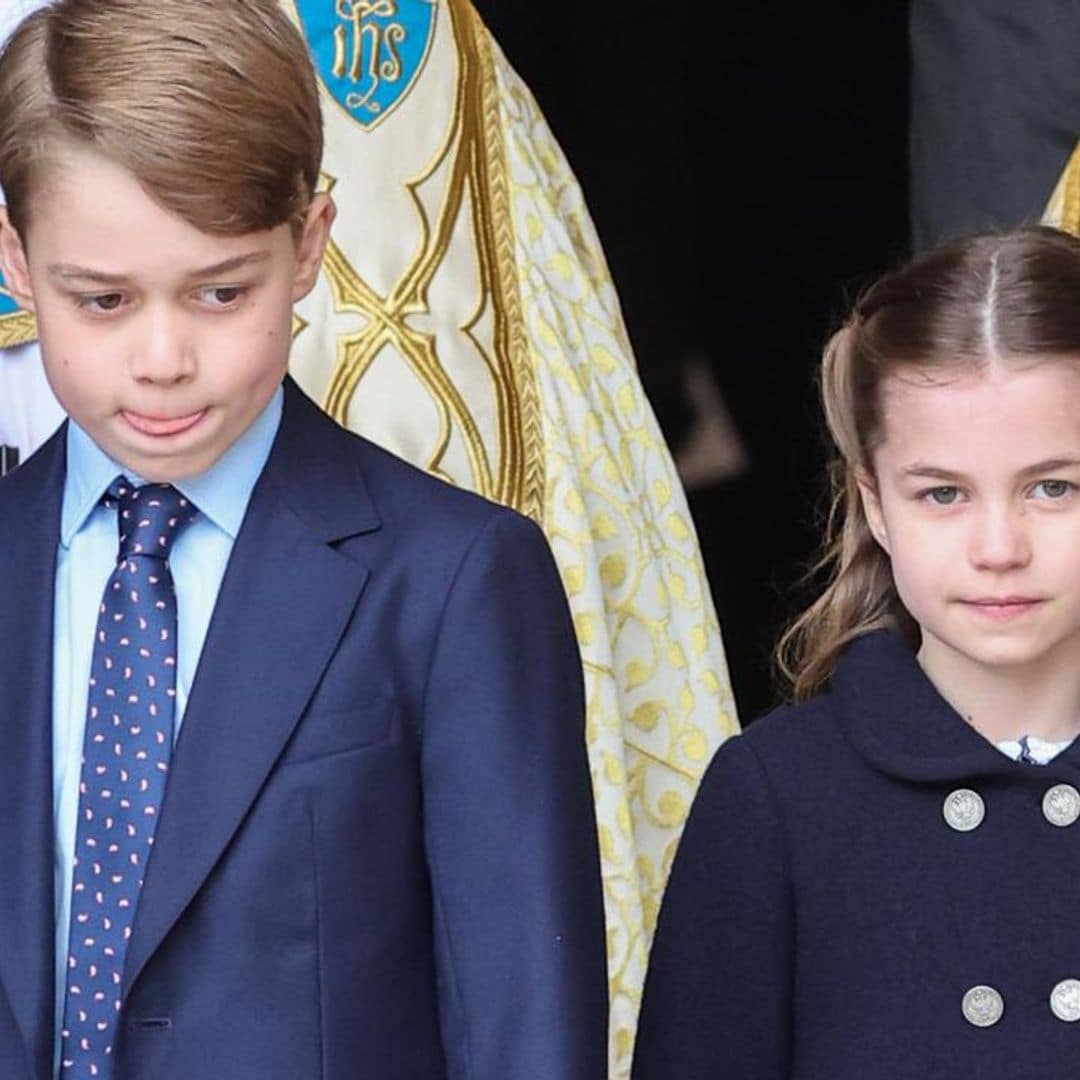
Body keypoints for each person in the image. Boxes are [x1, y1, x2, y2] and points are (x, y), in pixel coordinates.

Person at [0, 1, 608, 1077]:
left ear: (310, 244)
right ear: (14, 259)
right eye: (99, 301)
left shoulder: (453, 583)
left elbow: (524, 1028)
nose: (161, 358)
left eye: (221, 291)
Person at [632, 225, 1080, 1078]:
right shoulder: (779, 795)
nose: (998, 546)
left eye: (1052, 486)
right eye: (943, 492)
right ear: (876, 506)